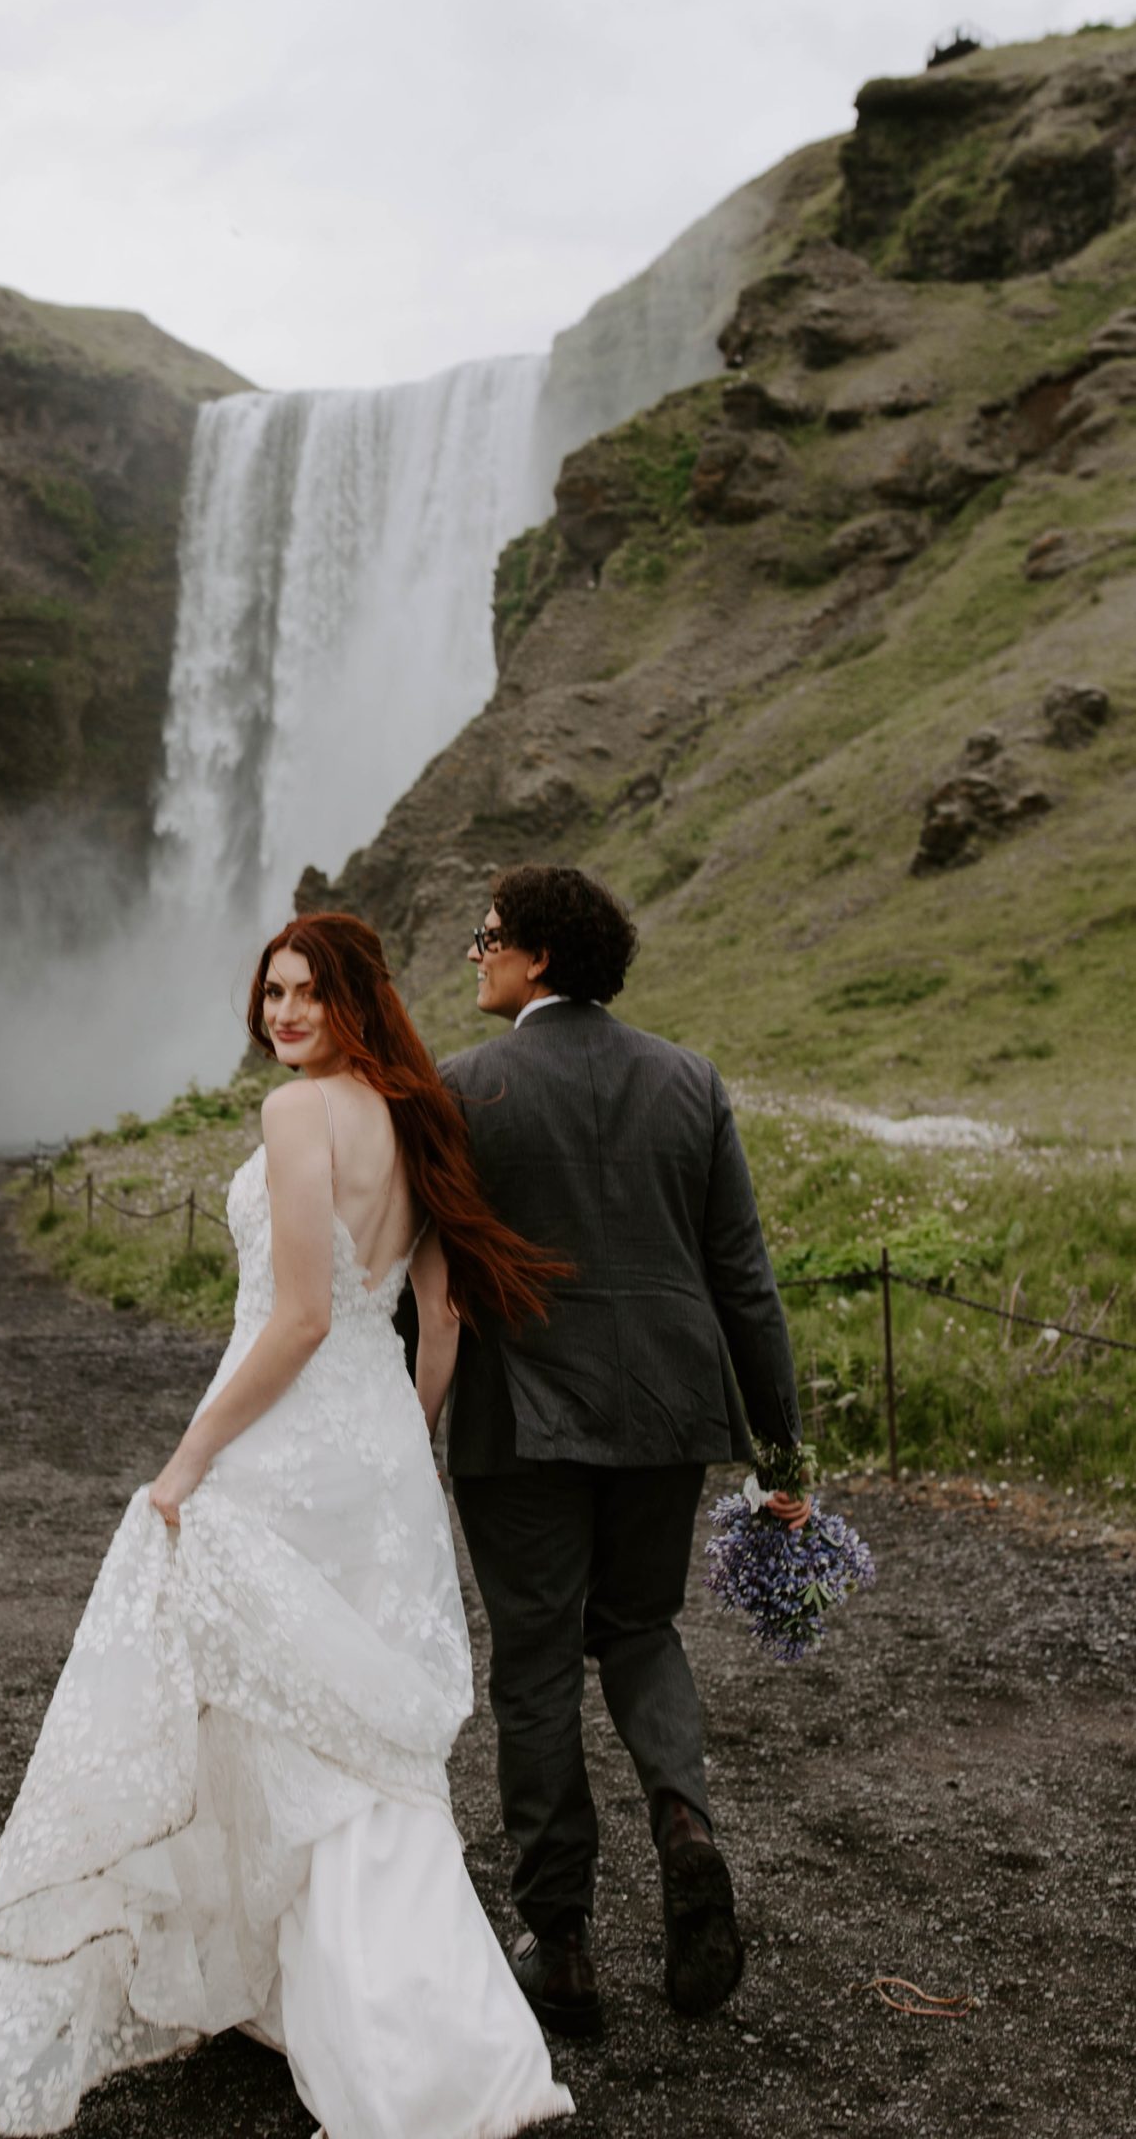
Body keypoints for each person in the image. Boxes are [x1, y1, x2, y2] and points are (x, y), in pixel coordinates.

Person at [0, 912, 576, 2139]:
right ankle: (424, 2034)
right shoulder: (420, 1116)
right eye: (272, 992)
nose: (283, 1013)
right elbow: (440, 1321)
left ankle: (369, 2048)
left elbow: (296, 1318)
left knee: (291, 1722)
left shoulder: (299, 1116)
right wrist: (397, 1435)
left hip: (287, 1443)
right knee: (363, 1743)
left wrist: (187, 1460)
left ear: (354, 999)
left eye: (307, 993)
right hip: (380, 1451)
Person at [441, 864, 807, 2041]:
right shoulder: (688, 1079)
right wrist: (779, 1443)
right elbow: (742, 1277)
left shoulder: (466, 1089)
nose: (475, 953)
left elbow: (426, 1285)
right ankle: (685, 1823)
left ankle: (563, 1949)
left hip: (520, 1420)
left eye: (487, 935)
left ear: (539, 956)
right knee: (639, 1629)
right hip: (668, 1409)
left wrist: (390, 1414)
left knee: (539, 1663)